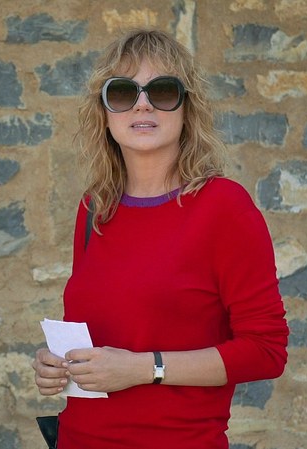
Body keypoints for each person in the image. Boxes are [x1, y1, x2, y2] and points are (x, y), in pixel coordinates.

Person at [32, 29, 288, 449]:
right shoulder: (95, 208)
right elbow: (109, 331)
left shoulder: (223, 207)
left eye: (162, 90)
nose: (142, 104)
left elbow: (266, 351)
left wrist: (143, 368)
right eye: (122, 92)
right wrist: (56, 364)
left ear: (188, 107)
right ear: (104, 112)